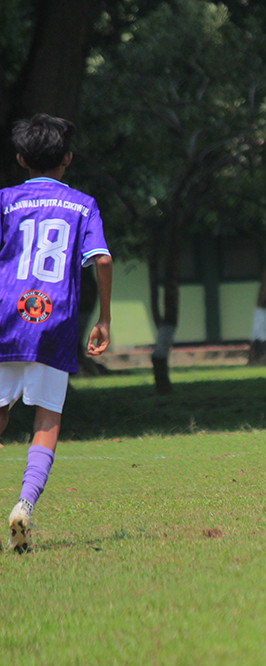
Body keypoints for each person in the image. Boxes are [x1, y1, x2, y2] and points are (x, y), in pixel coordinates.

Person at [0, 114, 113, 553]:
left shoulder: (5, 201)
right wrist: (103, 319)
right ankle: (24, 504)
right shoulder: (83, 204)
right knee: (46, 419)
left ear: (20, 157)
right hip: (54, 321)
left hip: (5, 319)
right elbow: (101, 259)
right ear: (68, 158)